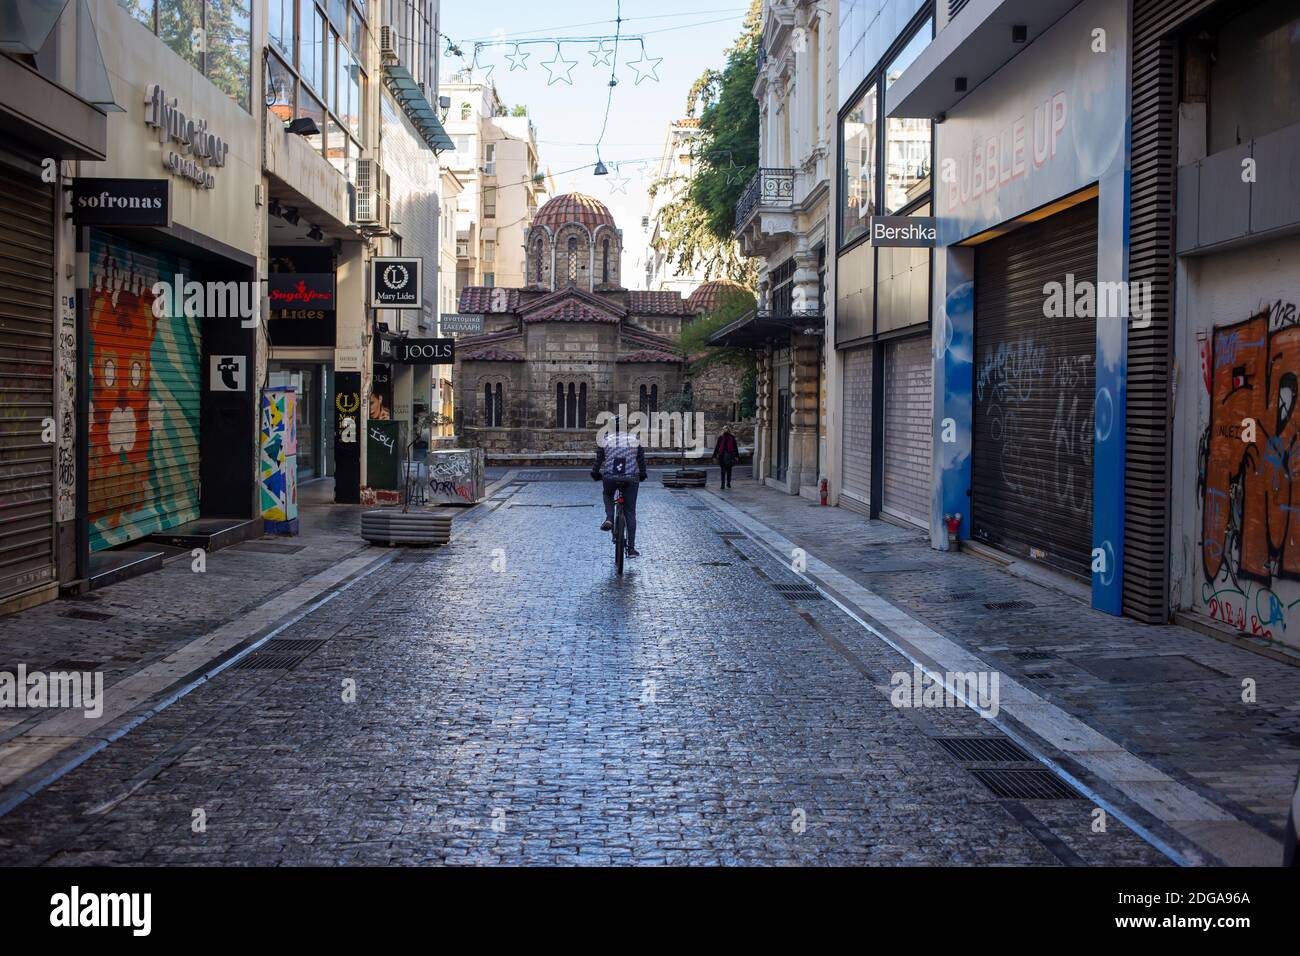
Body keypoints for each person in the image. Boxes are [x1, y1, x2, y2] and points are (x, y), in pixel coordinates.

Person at [592, 423, 647, 557]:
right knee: (630, 512)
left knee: (608, 494)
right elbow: (641, 460)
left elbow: (599, 459)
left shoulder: (604, 439)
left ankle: (609, 518)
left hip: (610, 478)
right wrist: (643, 473)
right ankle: (631, 548)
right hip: (630, 479)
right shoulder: (635, 439)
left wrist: (595, 472)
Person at [713, 424, 738, 489]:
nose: (725, 430)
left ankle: (728, 483)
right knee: (723, 471)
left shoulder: (732, 437)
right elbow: (717, 447)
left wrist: (736, 456)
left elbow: (735, 447)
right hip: (722, 456)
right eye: (724, 429)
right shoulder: (721, 437)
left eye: (726, 428)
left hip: (730, 456)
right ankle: (722, 484)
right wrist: (714, 456)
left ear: (728, 429)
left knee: (729, 471)